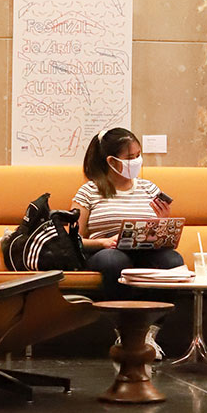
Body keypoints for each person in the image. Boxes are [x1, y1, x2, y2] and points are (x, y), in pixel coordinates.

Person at [72, 127, 184, 359]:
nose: (136, 162)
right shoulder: (90, 191)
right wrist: (103, 242)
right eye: (130, 158)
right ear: (111, 161)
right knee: (115, 260)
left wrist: (164, 222)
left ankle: (149, 334)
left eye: (138, 155)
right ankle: (126, 332)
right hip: (106, 253)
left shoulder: (148, 188)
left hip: (146, 251)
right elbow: (73, 239)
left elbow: (165, 237)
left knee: (173, 261)